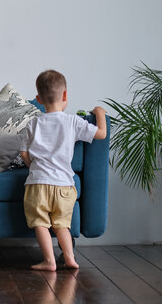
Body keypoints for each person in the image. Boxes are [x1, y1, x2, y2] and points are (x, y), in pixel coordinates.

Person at [20, 69, 107, 271]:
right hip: (64, 185)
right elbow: (101, 134)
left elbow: (24, 154)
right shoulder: (73, 122)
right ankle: (69, 258)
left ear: (38, 99)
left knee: (40, 223)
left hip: (38, 183)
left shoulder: (32, 124)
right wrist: (100, 113)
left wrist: (32, 165)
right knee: (62, 225)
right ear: (65, 95)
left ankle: (49, 261)